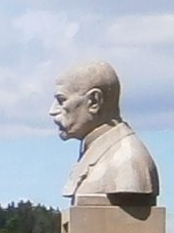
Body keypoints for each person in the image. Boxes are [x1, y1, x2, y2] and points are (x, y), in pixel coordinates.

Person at [51, 60, 159, 202]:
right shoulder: (100, 151)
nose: (52, 111)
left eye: (61, 100)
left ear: (94, 101)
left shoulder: (127, 160)